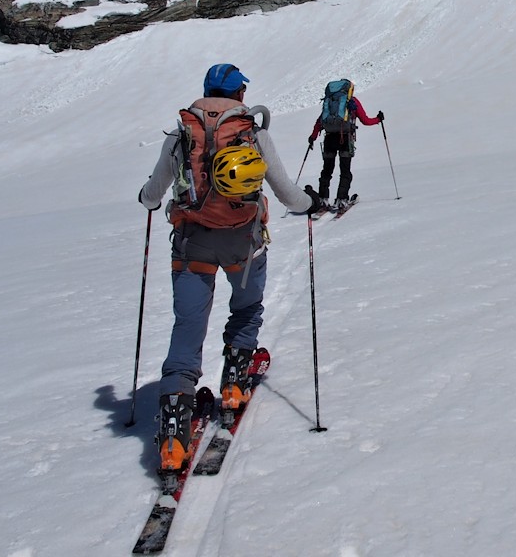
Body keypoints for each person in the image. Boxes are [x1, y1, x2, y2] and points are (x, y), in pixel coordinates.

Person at [138, 62, 325, 477]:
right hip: (244, 245)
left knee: (187, 328)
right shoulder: (253, 133)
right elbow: (287, 192)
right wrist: (310, 205)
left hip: (192, 246)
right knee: (245, 310)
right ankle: (235, 382)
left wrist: (149, 200)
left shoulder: (180, 135)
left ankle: (173, 432)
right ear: (240, 95)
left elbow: (153, 193)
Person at [308, 78, 384, 210]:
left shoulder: (330, 102)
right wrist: (378, 119)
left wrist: (312, 137)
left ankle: (323, 199)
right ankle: (342, 199)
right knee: (345, 171)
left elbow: (319, 122)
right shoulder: (352, 102)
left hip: (329, 139)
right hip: (345, 138)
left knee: (327, 170)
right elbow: (365, 120)